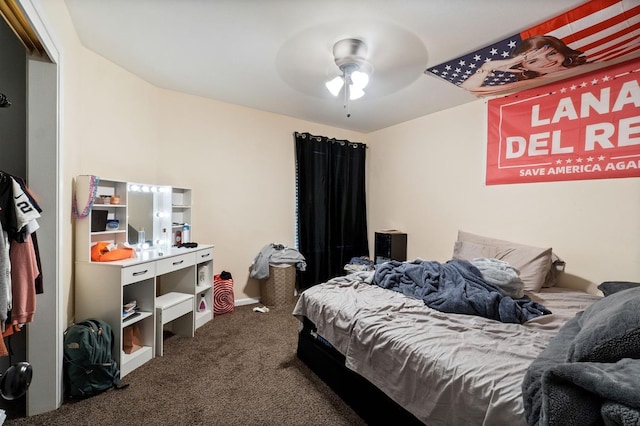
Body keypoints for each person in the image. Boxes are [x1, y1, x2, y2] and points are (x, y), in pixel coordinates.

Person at [460, 35, 587, 94]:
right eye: (533, 61)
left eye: (551, 53)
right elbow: (468, 89)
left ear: (562, 51)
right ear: (522, 67)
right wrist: (487, 67)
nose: (547, 61)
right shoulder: (535, 81)